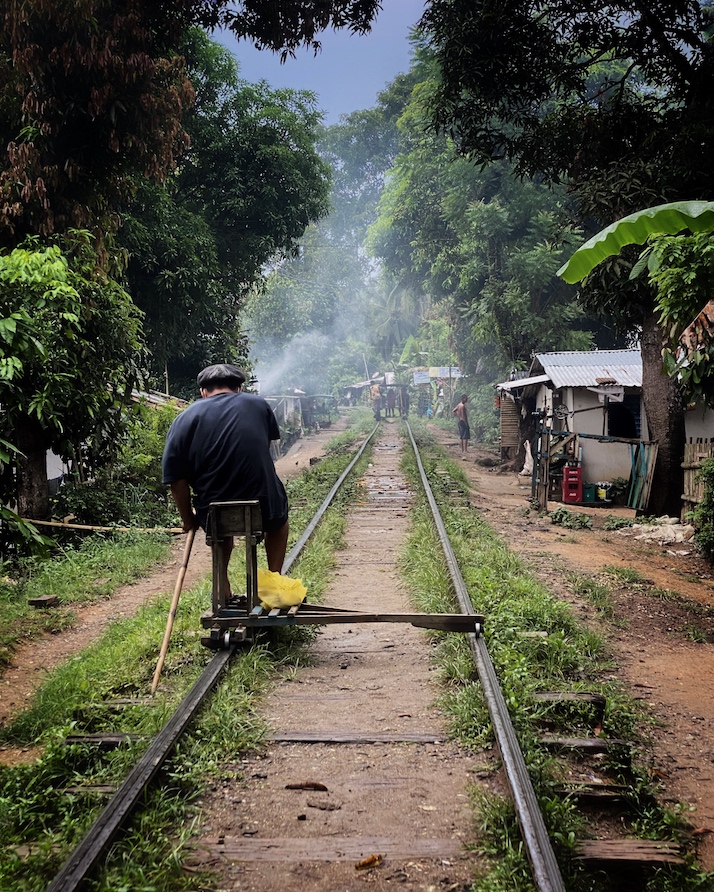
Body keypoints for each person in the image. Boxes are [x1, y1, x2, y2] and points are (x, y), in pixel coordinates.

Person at [162, 364, 289, 596]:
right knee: (279, 525)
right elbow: (264, 447)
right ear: (239, 388)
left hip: (213, 507)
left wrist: (188, 519)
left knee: (220, 526)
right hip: (264, 503)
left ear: (203, 392)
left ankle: (222, 584)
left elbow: (175, 479)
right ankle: (274, 579)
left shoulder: (185, 417)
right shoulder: (259, 405)